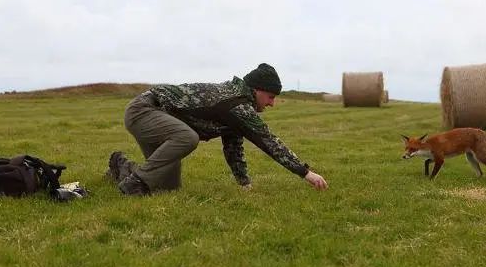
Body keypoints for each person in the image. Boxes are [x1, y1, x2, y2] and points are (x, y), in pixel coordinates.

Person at [107, 63, 328, 195]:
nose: (272, 103)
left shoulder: (237, 107)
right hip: (144, 111)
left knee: (168, 189)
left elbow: (233, 144)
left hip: (157, 118)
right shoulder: (236, 103)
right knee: (188, 137)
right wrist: (306, 173)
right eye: (270, 97)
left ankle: (121, 166)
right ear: (257, 90)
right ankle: (134, 184)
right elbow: (268, 140)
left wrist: (244, 184)